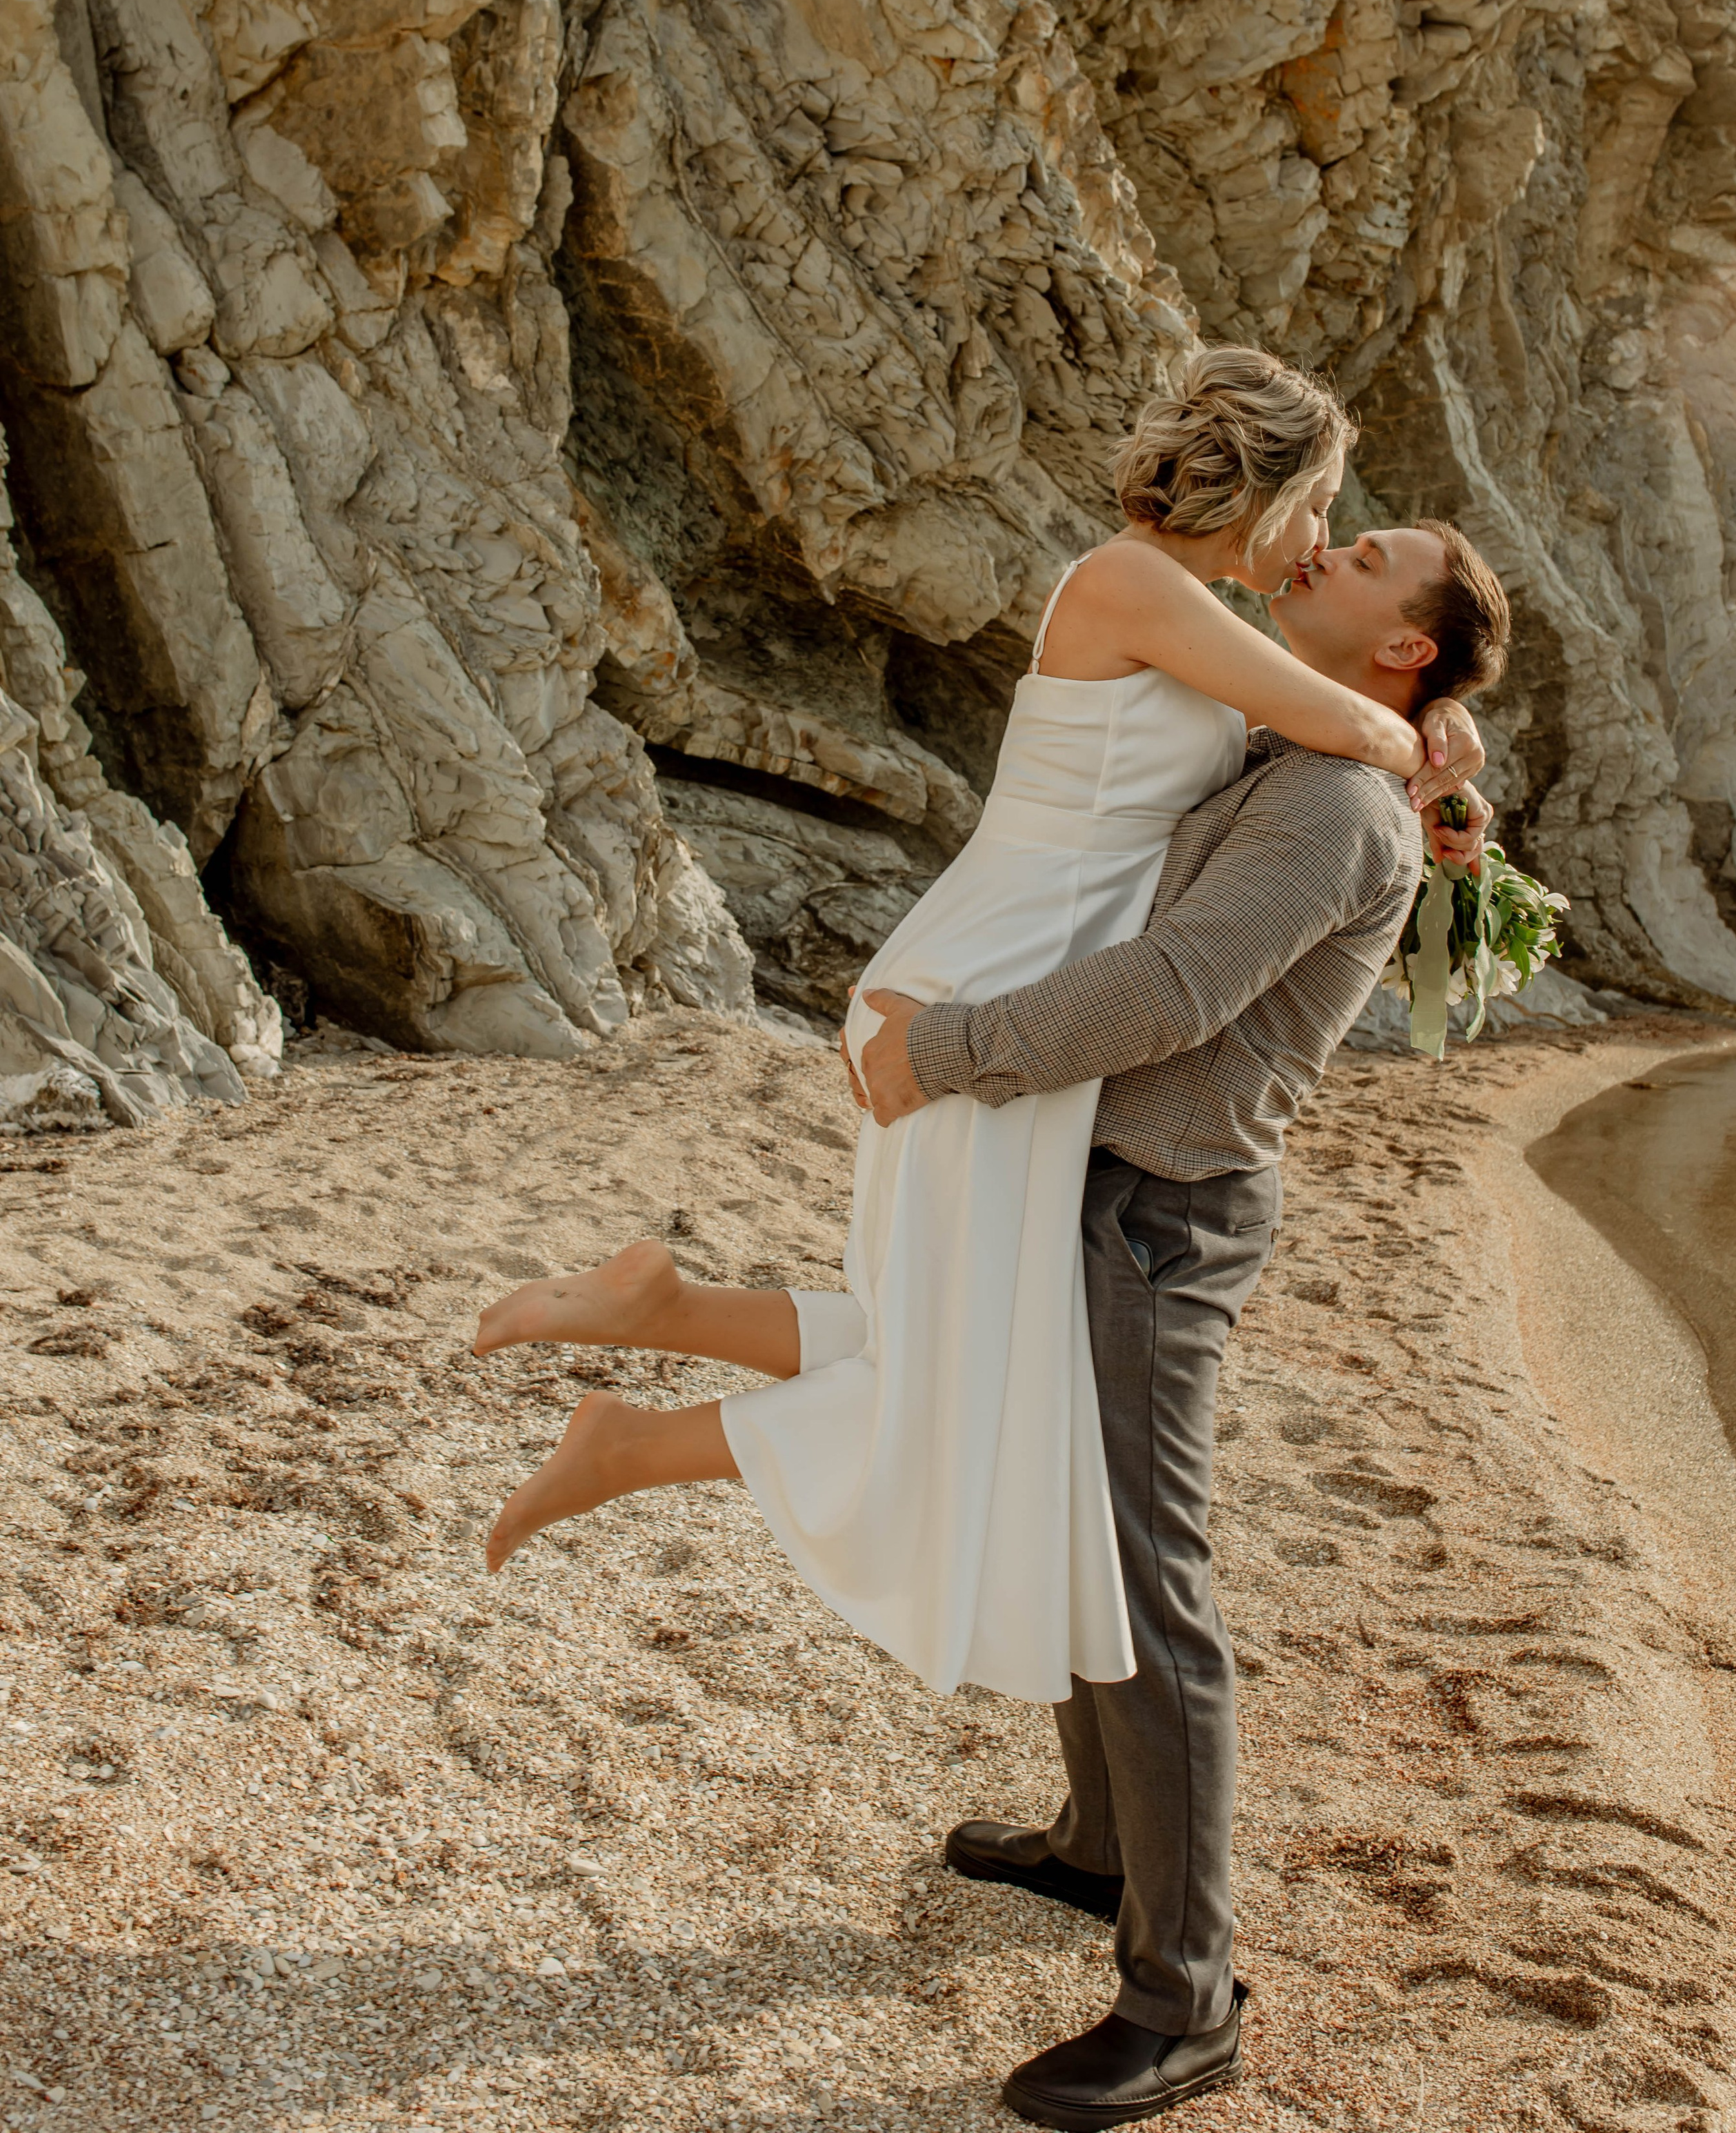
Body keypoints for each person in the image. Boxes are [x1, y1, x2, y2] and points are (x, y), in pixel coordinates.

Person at [476, 349, 1477, 1664]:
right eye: (1323, 510)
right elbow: (1364, 734)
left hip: (1015, 969)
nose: (1319, 543)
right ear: (1270, 483)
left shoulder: (1184, 614)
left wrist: (1430, 756)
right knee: (968, 1374)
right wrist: (1432, 739)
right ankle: (632, 1438)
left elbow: (1297, 754)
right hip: (995, 978)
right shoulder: (1135, 584)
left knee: (952, 1332)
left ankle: (659, 1316)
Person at [840, 508, 1510, 2127]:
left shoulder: (1336, 803)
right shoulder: (1318, 751)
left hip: (1156, 1213)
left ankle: (1183, 1998)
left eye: (1361, 555)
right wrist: (1446, 773)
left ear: (1403, 640)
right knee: (1079, 1526)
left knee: (1147, 1582)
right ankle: (1094, 1848)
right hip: (1108, 1181)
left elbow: (1171, 992)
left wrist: (936, 1054)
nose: (1323, 549)